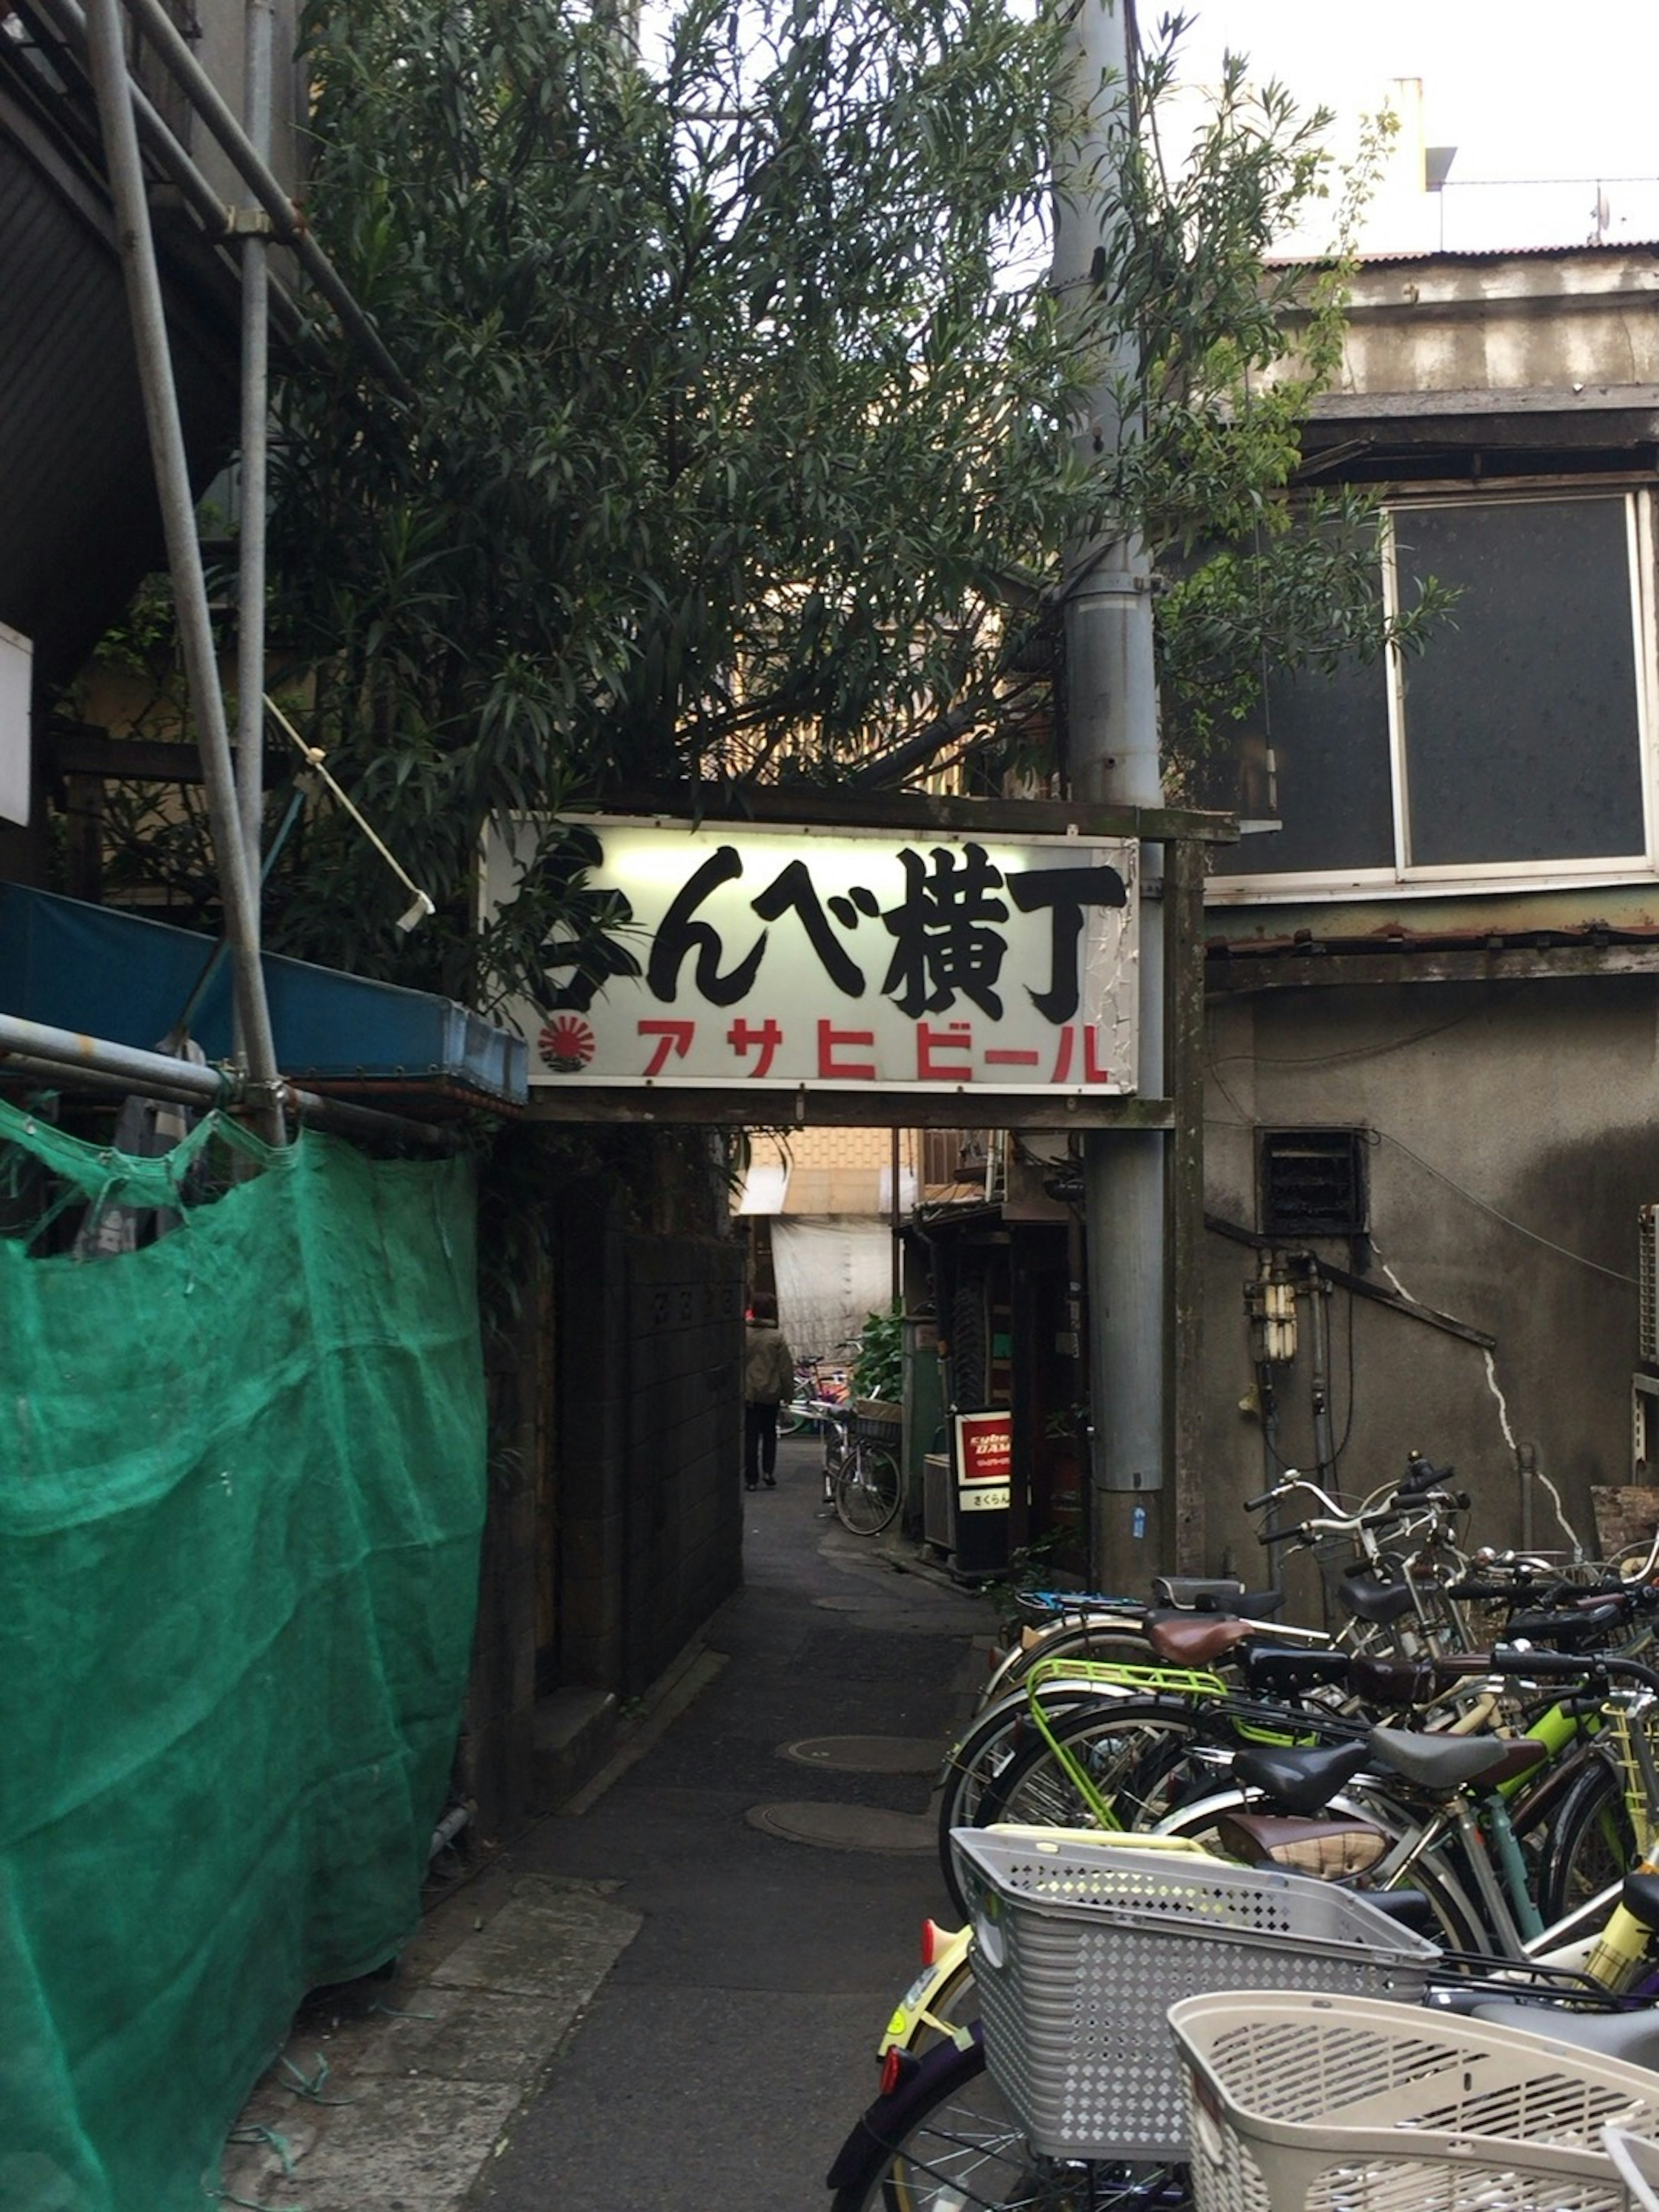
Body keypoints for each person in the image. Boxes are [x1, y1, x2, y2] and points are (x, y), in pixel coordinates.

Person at [743, 1292, 795, 1491]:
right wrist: (789, 1395)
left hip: (748, 1393)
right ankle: (768, 1472)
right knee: (769, 1435)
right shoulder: (776, 1338)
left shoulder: (743, 1335)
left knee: (750, 1436)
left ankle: (751, 1479)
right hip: (770, 1394)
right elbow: (785, 1369)